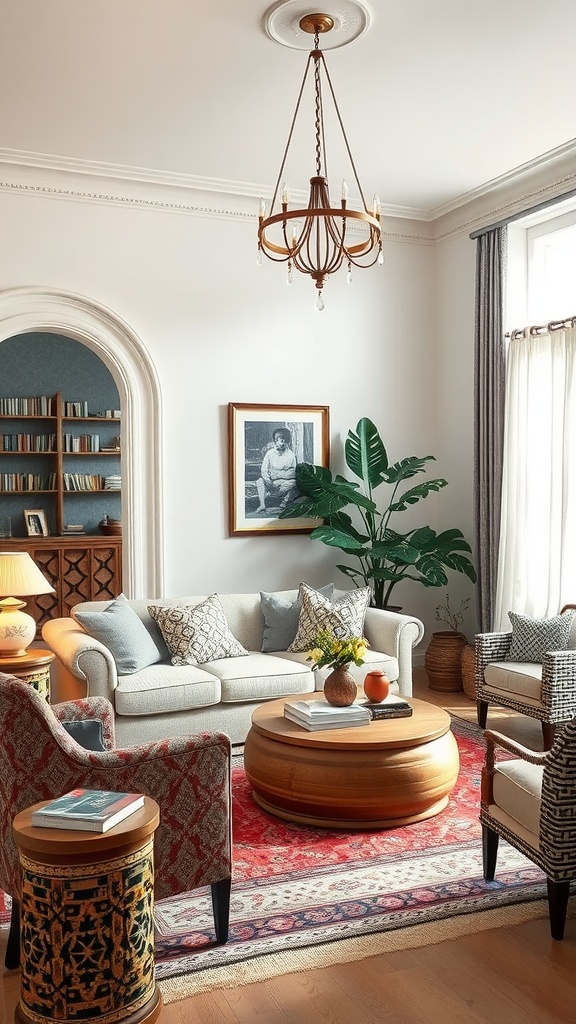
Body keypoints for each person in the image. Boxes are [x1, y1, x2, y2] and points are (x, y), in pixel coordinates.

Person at [255, 427, 298, 513]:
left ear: (286, 442)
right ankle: (262, 505)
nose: (278, 443)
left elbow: (293, 473)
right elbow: (264, 470)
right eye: (276, 440)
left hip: (283, 484)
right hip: (270, 483)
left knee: (295, 482)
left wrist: (277, 474)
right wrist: (269, 482)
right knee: (260, 481)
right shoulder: (270, 453)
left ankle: (285, 502)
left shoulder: (291, 455)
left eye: (281, 440)